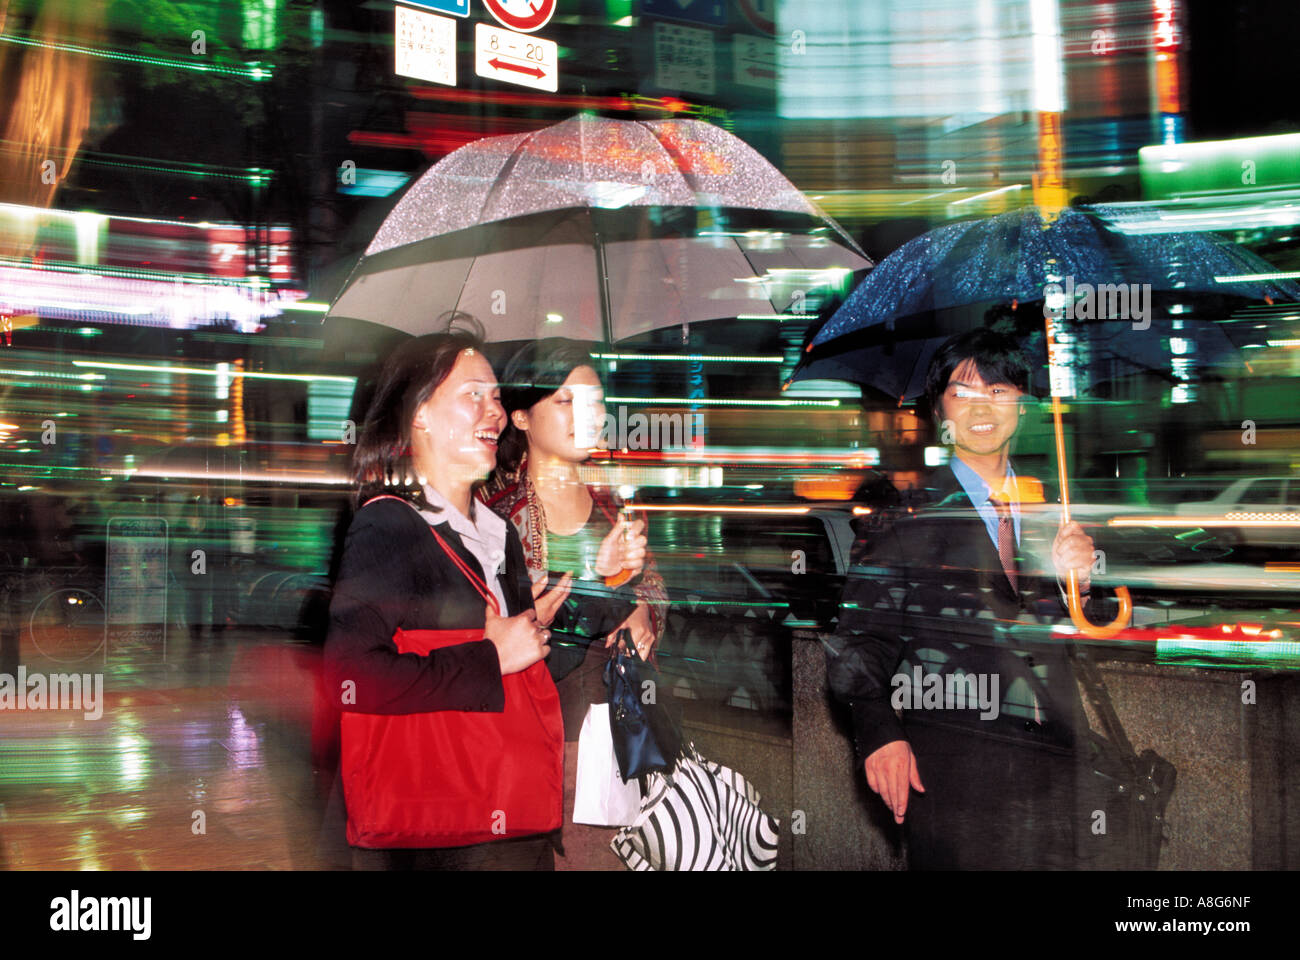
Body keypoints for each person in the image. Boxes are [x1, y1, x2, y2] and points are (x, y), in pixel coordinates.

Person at [825, 327, 1107, 869]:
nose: (983, 406)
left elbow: (1083, 630)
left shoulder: (1056, 512)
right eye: (964, 392)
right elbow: (858, 645)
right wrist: (880, 734)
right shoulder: (904, 518)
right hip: (954, 779)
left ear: (1023, 406)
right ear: (941, 411)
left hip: (1057, 778)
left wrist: (1083, 584)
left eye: (1000, 391)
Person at [323, 329, 559, 870]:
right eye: (472, 393)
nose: (494, 411)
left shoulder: (501, 533)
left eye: (497, 396)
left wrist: (537, 634)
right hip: (437, 825)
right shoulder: (391, 523)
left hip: (507, 809)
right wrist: (491, 656)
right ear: (420, 413)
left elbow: (511, 668)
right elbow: (349, 676)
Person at [480, 338, 669, 871]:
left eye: (597, 402)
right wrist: (601, 580)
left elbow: (653, 588)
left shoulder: (615, 504)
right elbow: (517, 635)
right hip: (540, 734)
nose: (589, 416)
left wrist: (643, 612)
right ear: (521, 416)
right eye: (565, 401)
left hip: (622, 731)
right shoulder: (497, 515)